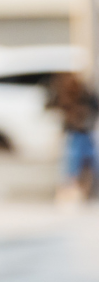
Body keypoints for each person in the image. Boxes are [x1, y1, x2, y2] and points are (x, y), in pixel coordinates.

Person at [51, 71, 98, 200]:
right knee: (73, 160)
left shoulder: (85, 93)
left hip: (85, 131)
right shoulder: (66, 94)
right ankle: (70, 189)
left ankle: (81, 189)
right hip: (75, 131)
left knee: (85, 160)